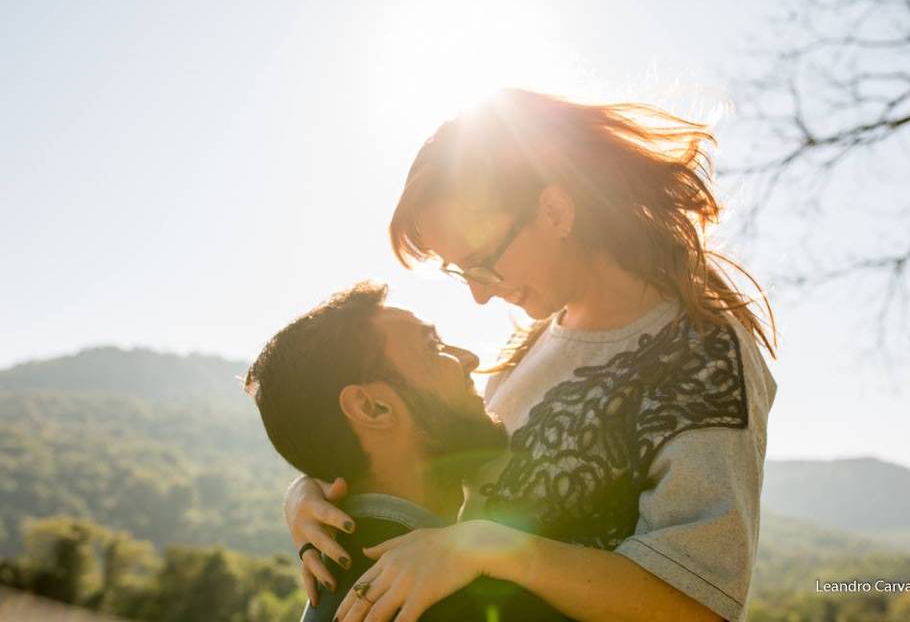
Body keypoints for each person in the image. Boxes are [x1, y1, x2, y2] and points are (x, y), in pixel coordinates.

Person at [285, 89, 778, 622]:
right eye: (461, 272)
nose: (478, 293)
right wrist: (317, 495)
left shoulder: (702, 352)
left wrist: (486, 548)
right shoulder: (526, 350)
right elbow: (425, 460)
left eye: (482, 263)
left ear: (555, 209)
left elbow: (699, 604)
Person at [245, 281, 569, 621]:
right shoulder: (476, 601)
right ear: (373, 408)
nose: (469, 358)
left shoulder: (334, 592)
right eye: (432, 347)